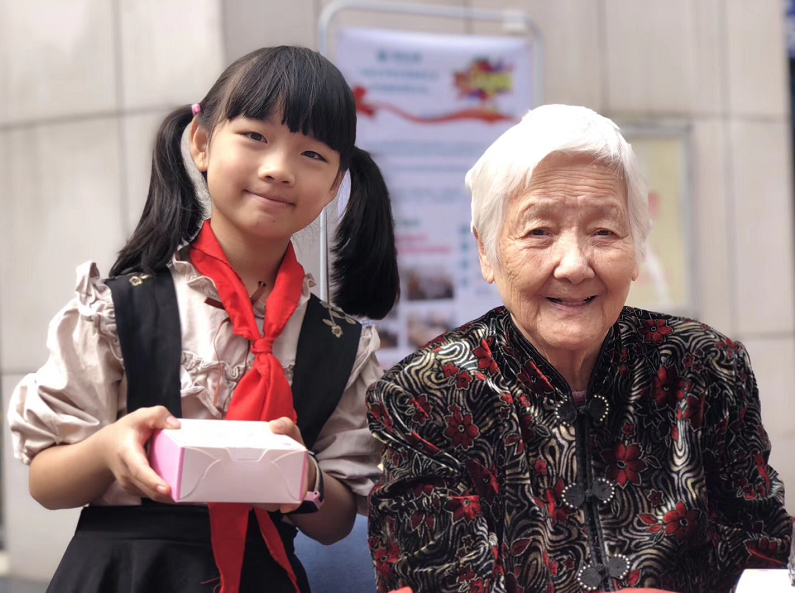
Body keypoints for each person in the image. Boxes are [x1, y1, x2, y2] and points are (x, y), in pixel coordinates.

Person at [8, 46, 399, 593]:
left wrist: (301, 476)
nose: (279, 169)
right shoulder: (119, 308)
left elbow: (336, 523)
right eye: (256, 137)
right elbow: (45, 481)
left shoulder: (341, 343)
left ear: (336, 186)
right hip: (126, 575)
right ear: (201, 143)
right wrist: (110, 449)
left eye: (313, 155)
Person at [366, 104, 791, 593]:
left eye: (604, 232)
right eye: (539, 231)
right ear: (487, 251)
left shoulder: (705, 368)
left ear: (637, 249)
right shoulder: (428, 394)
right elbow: (430, 580)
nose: (573, 265)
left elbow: (764, 556)